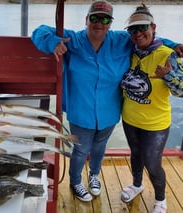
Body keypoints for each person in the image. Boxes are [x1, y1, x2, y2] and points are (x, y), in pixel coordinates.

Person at [31, 0, 183, 202]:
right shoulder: (72, 40)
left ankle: (94, 176)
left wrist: (174, 46)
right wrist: (53, 43)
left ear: (110, 23)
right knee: (80, 149)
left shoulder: (122, 40)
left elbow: (149, 39)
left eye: (105, 19)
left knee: (99, 146)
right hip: (80, 110)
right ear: (87, 19)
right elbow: (39, 32)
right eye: (94, 17)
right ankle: (75, 181)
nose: (99, 23)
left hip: (109, 111)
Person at [120, 4, 183, 213]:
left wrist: (168, 75)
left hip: (155, 124)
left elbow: (181, 91)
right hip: (130, 119)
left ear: (153, 27)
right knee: (135, 155)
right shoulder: (130, 52)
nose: (138, 34)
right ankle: (137, 185)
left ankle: (161, 199)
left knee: (152, 163)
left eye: (143, 28)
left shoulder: (168, 54)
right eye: (133, 30)